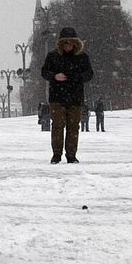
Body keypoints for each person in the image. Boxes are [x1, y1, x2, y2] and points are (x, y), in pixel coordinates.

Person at [40, 28, 94, 164]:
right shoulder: (53, 56)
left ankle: (71, 155)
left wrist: (76, 77)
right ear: (61, 44)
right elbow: (44, 72)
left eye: (70, 43)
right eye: (65, 43)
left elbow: (89, 74)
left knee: (73, 127)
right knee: (57, 125)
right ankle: (56, 154)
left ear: (75, 44)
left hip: (75, 98)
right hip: (57, 98)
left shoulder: (82, 57)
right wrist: (54, 76)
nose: (68, 46)